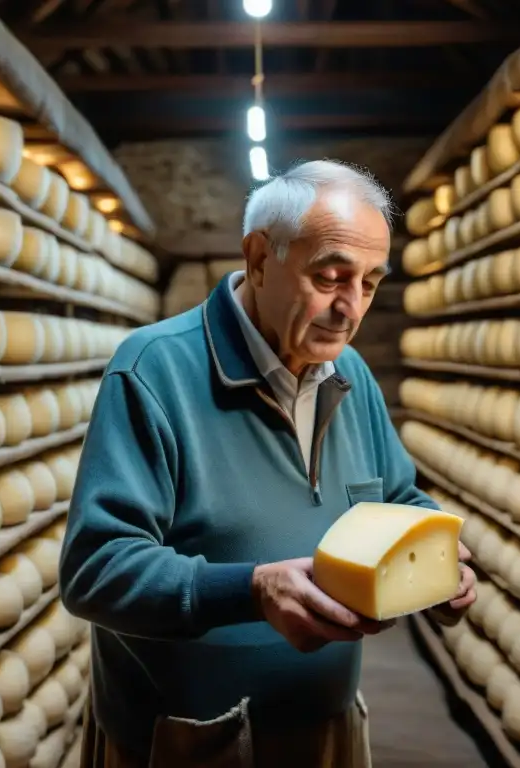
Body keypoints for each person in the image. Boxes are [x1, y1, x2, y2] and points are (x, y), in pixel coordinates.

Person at [59, 159, 477, 768]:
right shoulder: (154, 370)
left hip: (325, 723)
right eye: (331, 276)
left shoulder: (349, 374)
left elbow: (398, 500)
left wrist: (440, 563)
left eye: (370, 282)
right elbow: (96, 569)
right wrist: (250, 590)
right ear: (258, 258)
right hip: (189, 741)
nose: (351, 307)